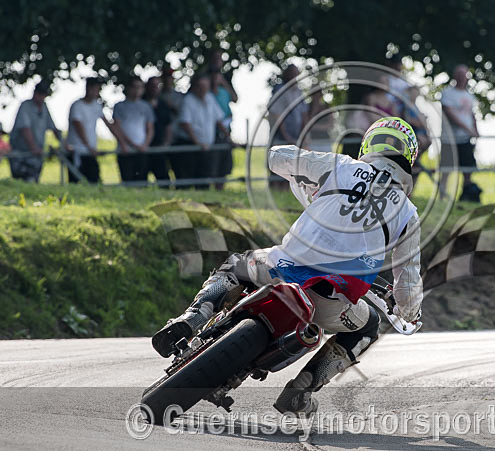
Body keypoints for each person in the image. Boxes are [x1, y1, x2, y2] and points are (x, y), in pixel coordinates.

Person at [152, 116, 423, 415]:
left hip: (277, 269)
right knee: (369, 326)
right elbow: (408, 282)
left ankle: (192, 317)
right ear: (409, 159)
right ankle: (300, 391)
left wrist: (306, 176)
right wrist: (407, 312)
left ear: (367, 145)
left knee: (234, 267)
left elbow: (277, 156)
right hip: (330, 301)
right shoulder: (408, 214)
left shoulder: (341, 166)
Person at [170, 73, 225, 189]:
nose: (203, 89)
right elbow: (185, 124)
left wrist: (229, 137)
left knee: (204, 179)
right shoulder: (188, 100)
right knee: (185, 179)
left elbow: (219, 120)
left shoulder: (210, 98)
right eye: (200, 86)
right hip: (189, 145)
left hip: (205, 146)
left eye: (205, 86)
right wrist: (197, 142)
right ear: (194, 87)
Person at [9, 80, 64, 182]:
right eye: (39, 93)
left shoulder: (44, 108)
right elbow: (25, 129)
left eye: (43, 94)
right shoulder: (25, 106)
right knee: (22, 181)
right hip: (22, 154)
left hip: (36, 157)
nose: (41, 96)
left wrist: (63, 143)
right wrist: (34, 148)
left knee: (34, 181)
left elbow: (53, 128)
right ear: (35, 93)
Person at [441, 65, 481, 202]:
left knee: (468, 170)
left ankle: (466, 196)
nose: (461, 77)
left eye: (464, 74)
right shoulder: (447, 93)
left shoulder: (470, 96)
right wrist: (468, 129)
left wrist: (476, 130)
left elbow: (471, 114)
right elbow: (450, 113)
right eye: (458, 74)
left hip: (465, 140)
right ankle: (442, 198)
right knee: (446, 171)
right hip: (449, 139)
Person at [65, 77, 112, 183]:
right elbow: (78, 126)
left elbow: (108, 124)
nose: (96, 92)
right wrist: (88, 146)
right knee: (76, 181)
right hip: (77, 150)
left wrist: (121, 140)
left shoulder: (97, 106)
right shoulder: (77, 106)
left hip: (90, 151)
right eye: (95, 89)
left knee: (94, 179)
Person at [112, 75, 155, 184]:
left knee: (141, 181)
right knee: (128, 180)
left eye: (140, 87)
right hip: (125, 150)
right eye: (134, 87)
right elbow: (118, 128)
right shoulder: (119, 106)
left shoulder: (146, 107)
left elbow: (150, 128)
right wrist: (130, 144)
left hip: (142, 150)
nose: (137, 90)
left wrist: (145, 145)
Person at [210, 65, 237, 189]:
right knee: (213, 163)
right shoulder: (208, 95)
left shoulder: (224, 92)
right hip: (213, 132)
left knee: (224, 164)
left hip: (226, 131)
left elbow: (235, 98)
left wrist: (224, 83)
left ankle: (221, 188)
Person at [143, 75, 174, 183]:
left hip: (159, 147)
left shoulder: (163, 105)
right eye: (152, 86)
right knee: (140, 179)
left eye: (157, 86)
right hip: (141, 148)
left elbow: (168, 125)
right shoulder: (141, 103)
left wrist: (166, 143)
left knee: (164, 179)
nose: (154, 88)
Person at [269, 64, 307, 145]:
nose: (294, 76)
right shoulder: (279, 91)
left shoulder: (299, 92)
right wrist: (287, 138)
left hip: (296, 139)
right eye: (292, 73)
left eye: (296, 73)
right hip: (280, 140)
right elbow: (277, 116)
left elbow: (304, 114)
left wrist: (304, 136)